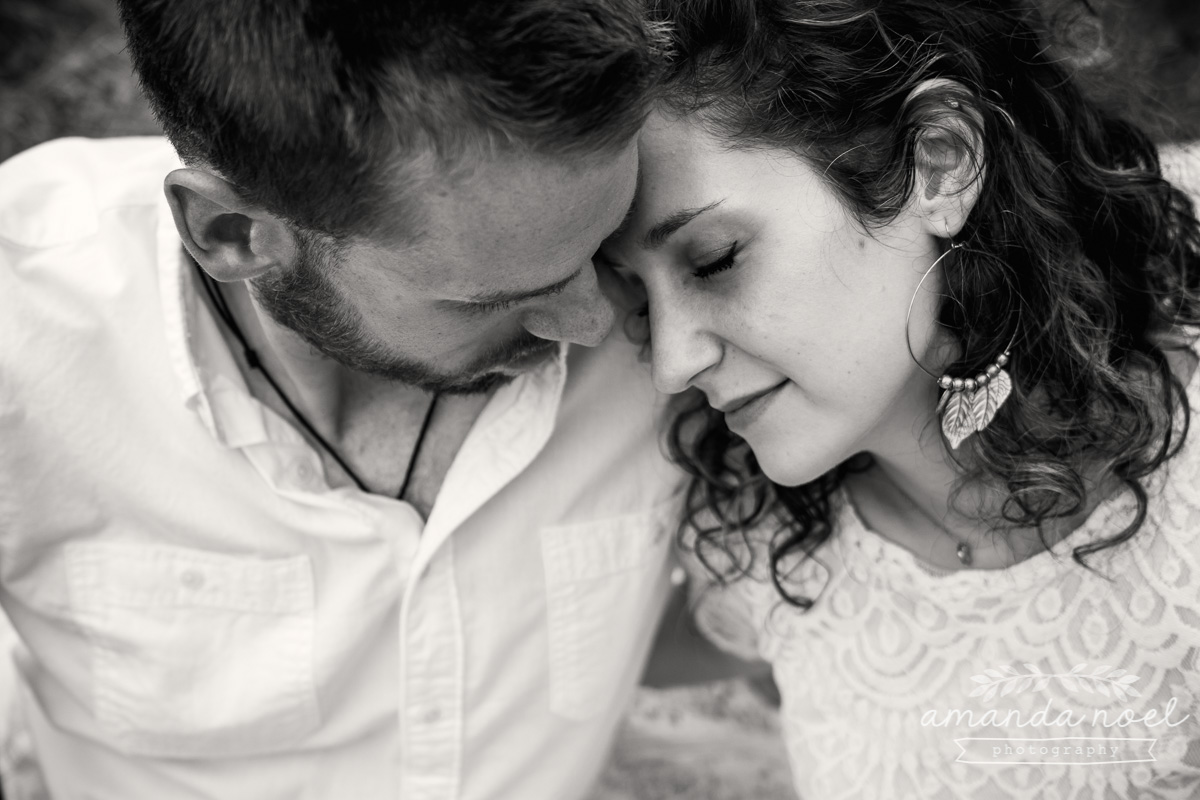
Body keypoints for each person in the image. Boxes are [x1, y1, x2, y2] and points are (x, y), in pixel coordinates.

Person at [0, 2, 686, 798]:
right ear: (233, 233)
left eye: (603, 245)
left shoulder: (682, 277)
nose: (598, 322)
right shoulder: (24, 335)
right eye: (491, 299)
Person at [600, 0, 1200, 797]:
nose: (672, 363)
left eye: (714, 260)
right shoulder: (760, 555)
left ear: (940, 161)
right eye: (637, 300)